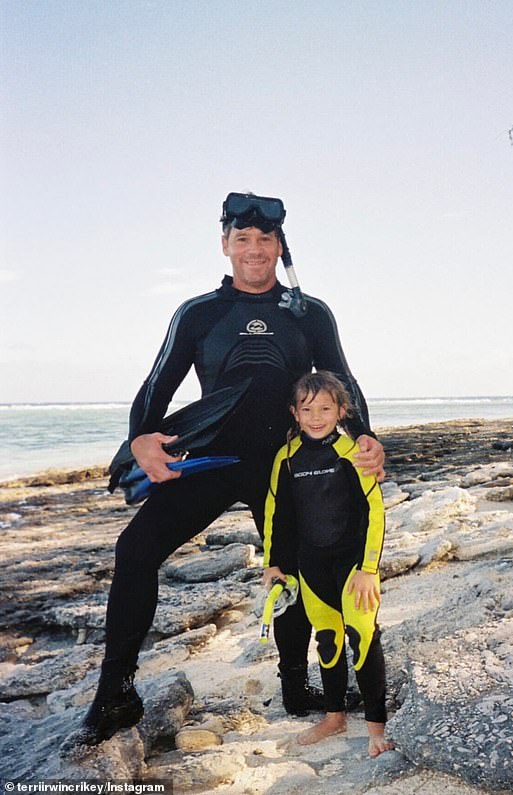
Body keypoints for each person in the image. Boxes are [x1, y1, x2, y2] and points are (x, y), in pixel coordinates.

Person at [62, 192, 384, 751]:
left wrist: (368, 439)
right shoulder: (199, 313)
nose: (254, 250)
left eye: (265, 240)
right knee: (135, 550)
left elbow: (343, 383)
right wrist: (141, 439)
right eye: (243, 239)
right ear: (225, 245)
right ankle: (114, 689)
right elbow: (156, 386)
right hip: (213, 460)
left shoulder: (308, 314)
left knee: (293, 566)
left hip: (285, 465)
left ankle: (296, 689)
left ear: (280, 246)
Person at [263, 371, 394, 758]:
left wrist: (369, 568)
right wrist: (274, 564)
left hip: (353, 565)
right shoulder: (285, 458)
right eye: (307, 409)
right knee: (328, 639)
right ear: (294, 413)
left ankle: (376, 726)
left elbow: (375, 510)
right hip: (311, 566)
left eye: (325, 408)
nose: (316, 416)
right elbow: (276, 514)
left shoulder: (354, 452)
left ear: (341, 411)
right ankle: (334, 715)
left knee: (363, 636)